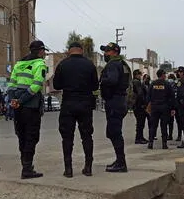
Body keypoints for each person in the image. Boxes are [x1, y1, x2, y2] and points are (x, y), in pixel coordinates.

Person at [53, 41, 99, 177]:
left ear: (69, 50)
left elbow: (56, 85)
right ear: (81, 50)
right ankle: (88, 167)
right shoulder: (89, 65)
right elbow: (95, 86)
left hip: (68, 103)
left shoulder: (62, 64)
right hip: (85, 104)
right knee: (87, 136)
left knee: (67, 137)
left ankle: (68, 169)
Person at [7, 41, 48, 179]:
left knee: (22, 135)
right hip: (30, 106)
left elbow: (11, 84)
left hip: (18, 107)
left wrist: (14, 100)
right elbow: (36, 85)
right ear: (40, 51)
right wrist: (22, 100)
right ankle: (27, 169)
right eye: (44, 51)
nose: (45, 54)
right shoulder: (40, 64)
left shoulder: (19, 64)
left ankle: (26, 165)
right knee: (31, 136)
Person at [99, 42, 131, 173]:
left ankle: (121, 163)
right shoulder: (122, 64)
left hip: (114, 101)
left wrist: (101, 80)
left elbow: (112, 80)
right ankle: (119, 161)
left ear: (115, 52)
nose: (105, 54)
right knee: (113, 132)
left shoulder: (113, 64)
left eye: (107, 51)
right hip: (120, 100)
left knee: (114, 133)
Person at [146, 69, 175, 150]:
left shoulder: (153, 84)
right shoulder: (167, 84)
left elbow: (148, 96)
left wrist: (149, 105)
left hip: (154, 107)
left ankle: (150, 143)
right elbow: (172, 97)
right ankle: (164, 144)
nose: (165, 76)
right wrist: (172, 108)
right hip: (164, 108)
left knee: (153, 126)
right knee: (164, 126)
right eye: (164, 74)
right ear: (162, 75)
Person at [131, 69, 148, 144]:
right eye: (140, 74)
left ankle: (140, 137)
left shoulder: (134, 82)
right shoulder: (137, 82)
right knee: (140, 123)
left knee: (140, 122)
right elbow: (140, 94)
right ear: (136, 75)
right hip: (139, 105)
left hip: (136, 105)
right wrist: (143, 103)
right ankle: (138, 138)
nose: (141, 76)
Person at [166, 73, 177, 140]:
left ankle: (166, 135)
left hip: (166, 104)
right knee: (171, 121)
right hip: (174, 104)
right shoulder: (176, 84)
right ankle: (170, 135)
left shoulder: (166, 83)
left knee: (165, 121)